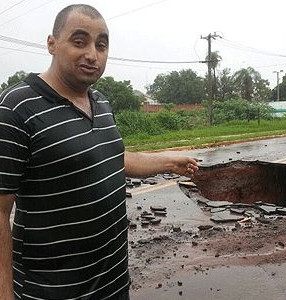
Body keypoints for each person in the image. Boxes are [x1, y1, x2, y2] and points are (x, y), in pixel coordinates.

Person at [0, 4, 198, 299]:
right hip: (53, 290)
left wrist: (169, 162)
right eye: (79, 42)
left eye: (101, 45)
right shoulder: (17, 107)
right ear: (52, 44)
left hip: (114, 284)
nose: (92, 54)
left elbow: (110, 158)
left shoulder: (101, 102)